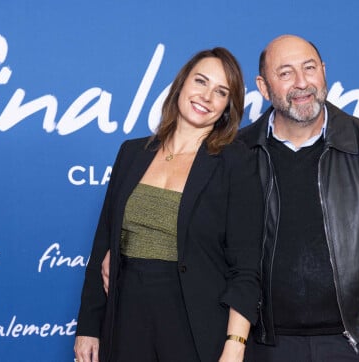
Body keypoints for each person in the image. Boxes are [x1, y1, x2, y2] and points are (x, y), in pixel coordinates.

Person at [74, 47, 263, 362]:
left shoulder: (236, 162)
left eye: (220, 92)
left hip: (195, 326)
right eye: (200, 82)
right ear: (181, 84)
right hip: (126, 321)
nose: (206, 96)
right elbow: (102, 247)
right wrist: (89, 327)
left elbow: (246, 267)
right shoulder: (132, 153)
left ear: (228, 107)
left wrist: (235, 343)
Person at [238, 34, 359, 361]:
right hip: (264, 346)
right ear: (263, 87)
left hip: (356, 342)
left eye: (309, 68)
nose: (302, 82)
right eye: (286, 73)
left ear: (324, 71)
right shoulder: (240, 152)